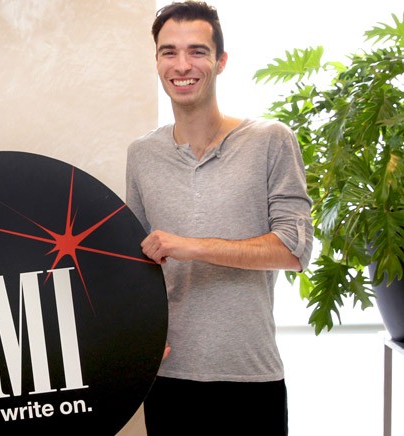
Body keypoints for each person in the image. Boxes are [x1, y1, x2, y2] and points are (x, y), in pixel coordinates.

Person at [125, 2, 313, 435]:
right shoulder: (142, 155)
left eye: (197, 51)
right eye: (169, 52)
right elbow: (135, 266)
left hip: (250, 376)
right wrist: (138, 339)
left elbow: (293, 249)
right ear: (156, 61)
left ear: (220, 61)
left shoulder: (270, 140)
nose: (182, 64)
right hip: (168, 377)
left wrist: (190, 246)